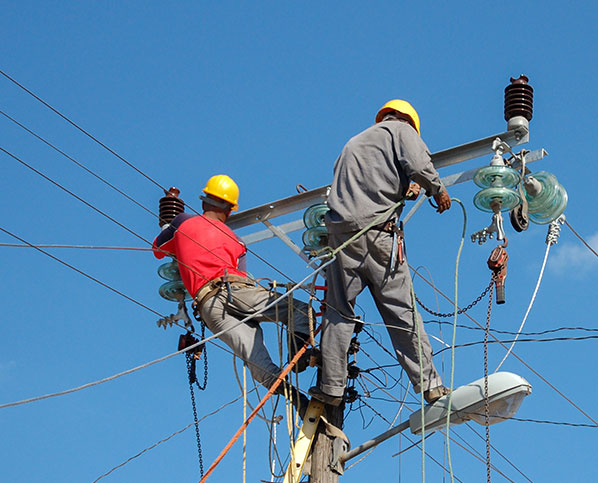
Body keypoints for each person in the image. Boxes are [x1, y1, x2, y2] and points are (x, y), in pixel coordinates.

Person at [311, 100, 452, 406]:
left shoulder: (354, 142)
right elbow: (418, 164)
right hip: (378, 235)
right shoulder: (401, 130)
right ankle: (429, 383)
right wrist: (437, 189)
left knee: (337, 312)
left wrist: (403, 190)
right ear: (407, 121)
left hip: (341, 237)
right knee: (400, 311)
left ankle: (331, 388)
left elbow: (365, 186)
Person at [153, 174, 311, 394]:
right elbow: (242, 279)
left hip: (209, 307)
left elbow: (159, 249)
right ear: (230, 210)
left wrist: (168, 222)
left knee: (256, 361)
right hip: (235, 290)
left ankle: (296, 400)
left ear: (203, 202)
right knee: (300, 311)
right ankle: (300, 356)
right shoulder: (238, 242)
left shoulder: (183, 223)